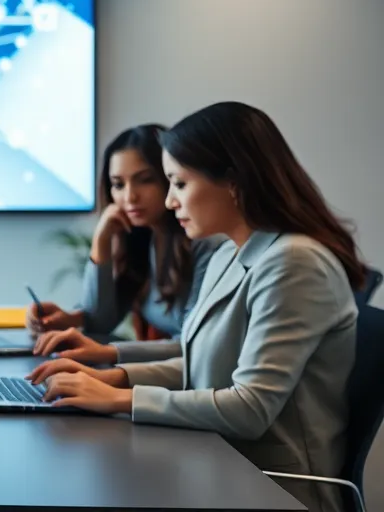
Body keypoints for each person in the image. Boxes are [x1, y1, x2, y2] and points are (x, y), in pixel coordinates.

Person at [28, 102, 365, 512]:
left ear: (235, 183)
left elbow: (250, 408)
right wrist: (112, 377)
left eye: (179, 183)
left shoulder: (295, 262)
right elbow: (196, 362)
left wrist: (119, 398)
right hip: (217, 457)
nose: (170, 202)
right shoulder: (230, 254)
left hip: (272, 485)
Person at [26, 124, 220, 364]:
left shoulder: (204, 245)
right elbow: (101, 321)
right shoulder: (143, 237)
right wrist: (101, 241)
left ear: (170, 177)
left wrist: (110, 352)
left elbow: (194, 346)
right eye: (118, 184)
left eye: (145, 180)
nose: (129, 197)